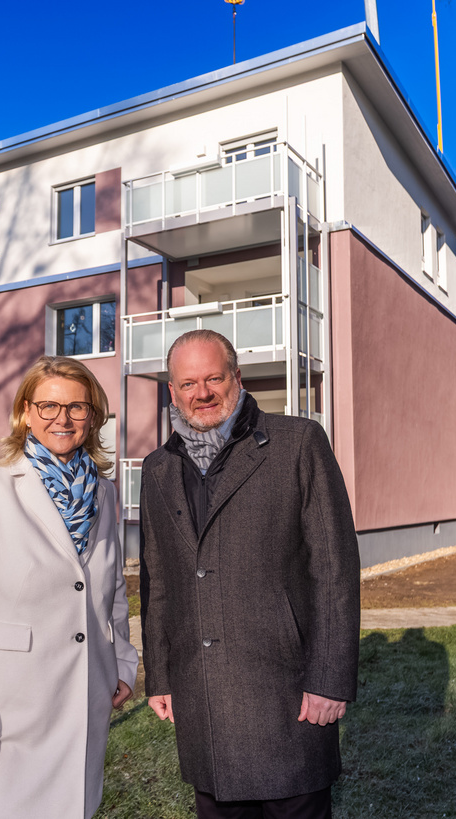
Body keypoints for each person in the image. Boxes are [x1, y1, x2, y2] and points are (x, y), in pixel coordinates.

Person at [139, 329, 361, 819]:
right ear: (172, 391)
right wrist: (159, 675)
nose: (202, 393)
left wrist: (329, 678)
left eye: (214, 377)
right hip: (203, 701)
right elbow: (157, 582)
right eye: (188, 383)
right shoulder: (157, 468)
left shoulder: (297, 443)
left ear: (236, 378)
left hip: (288, 699)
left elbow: (334, 569)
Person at [0, 355, 138, 819]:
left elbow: (111, 592)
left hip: (86, 697)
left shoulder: (104, 493)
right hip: (12, 709)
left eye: (76, 407)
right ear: (26, 412)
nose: (62, 419)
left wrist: (123, 663)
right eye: (48, 406)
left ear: (93, 416)